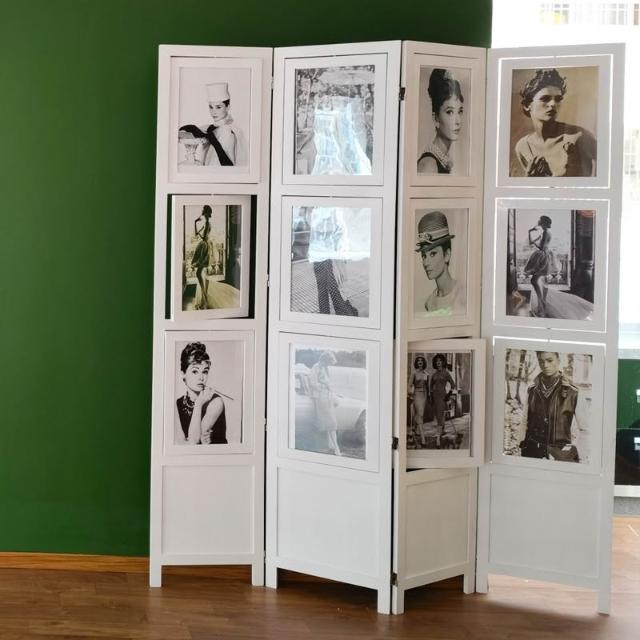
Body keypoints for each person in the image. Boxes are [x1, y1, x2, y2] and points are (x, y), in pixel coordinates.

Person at [514, 68, 596, 177]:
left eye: (558, 99)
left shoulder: (579, 136)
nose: (553, 104)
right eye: (545, 99)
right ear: (527, 105)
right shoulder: (523, 146)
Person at [520, 351, 579, 462]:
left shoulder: (573, 392)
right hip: (532, 453)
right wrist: (523, 446)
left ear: (558, 360)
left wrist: (575, 454)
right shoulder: (532, 390)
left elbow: (585, 430)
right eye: (541, 361)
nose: (545, 365)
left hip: (561, 456)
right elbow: (524, 421)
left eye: (550, 360)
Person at [178, 82, 246, 167]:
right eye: (211, 107)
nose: (213, 112)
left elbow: (228, 166)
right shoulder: (212, 127)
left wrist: (213, 140)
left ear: (227, 107)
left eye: (218, 107)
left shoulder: (228, 131)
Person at [308, 208, 359, 317]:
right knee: (333, 289)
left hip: (321, 258)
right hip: (325, 259)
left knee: (327, 290)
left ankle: (331, 315)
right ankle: (342, 313)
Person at [175, 342, 227, 445]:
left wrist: (198, 403)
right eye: (195, 371)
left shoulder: (216, 402)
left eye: (205, 371)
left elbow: (193, 442)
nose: (201, 378)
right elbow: (180, 444)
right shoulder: (178, 403)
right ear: (183, 374)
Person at [416, 210, 466, 316]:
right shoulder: (429, 303)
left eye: (433, 254)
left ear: (447, 255)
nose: (426, 263)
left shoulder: (463, 294)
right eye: (424, 255)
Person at [417, 68, 464, 174]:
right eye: (450, 112)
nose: (458, 121)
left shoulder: (443, 160)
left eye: (460, 111)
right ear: (436, 119)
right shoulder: (429, 165)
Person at [308, 351, 341, 456]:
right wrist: (324, 386)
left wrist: (330, 389)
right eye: (328, 363)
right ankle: (336, 448)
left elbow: (327, 382)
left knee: (330, 421)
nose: (329, 365)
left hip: (327, 395)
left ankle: (331, 445)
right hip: (320, 396)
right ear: (324, 360)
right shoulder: (316, 367)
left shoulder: (325, 368)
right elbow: (312, 383)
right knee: (331, 423)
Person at [523, 215, 553, 317]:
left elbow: (541, 247)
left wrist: (535, 243)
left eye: (540, 220)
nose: (538, 221)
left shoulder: (545, 232)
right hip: (543, 256)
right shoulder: (544, 232)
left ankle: (542, 302)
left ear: (543, 222)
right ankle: (542, 303)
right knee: (538, 281)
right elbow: (531, 242)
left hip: (543, 257)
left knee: (535, 280)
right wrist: (529, 232)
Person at [430, 354, 455, 449]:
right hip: (435, 397)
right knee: (438, 416)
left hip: (442, 396)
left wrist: (449, 394)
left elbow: (453, 384)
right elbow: (431, 387)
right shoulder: (434, 375)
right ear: (435, 363)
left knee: (440, 416)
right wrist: (431, 396)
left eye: (440, 361)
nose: (438, 362)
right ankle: (442, 431)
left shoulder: (446, 373)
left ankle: (438, 439)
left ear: (443, 362)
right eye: (437, 361)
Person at [191, 205, 212, 310]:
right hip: (204, 245)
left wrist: (199, 233)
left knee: (199, 273)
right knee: (200, 273)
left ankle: (204, 295)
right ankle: (204, 295)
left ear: (206, 212)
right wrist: (195, 222)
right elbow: (196, 233)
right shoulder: (206, 223)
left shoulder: (207, 223)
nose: (202, 211)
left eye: (203, 210)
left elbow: (204, 237)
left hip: (204, 246)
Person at [408, 356, 430, 446]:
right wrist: (410, 394)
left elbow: (428, 387)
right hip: (416, 394)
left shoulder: (427, 374)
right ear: (416, 363)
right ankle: (423, 438)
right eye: (418, 361)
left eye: (421, 361)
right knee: (420, 415)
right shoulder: (414, 373)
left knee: (419, 414)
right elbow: (409, 385)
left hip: (424, 395)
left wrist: (428, 397)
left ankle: (412, 431)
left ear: (424, 363)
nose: (420, 362)